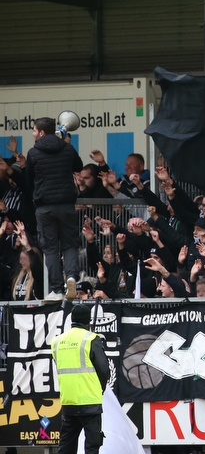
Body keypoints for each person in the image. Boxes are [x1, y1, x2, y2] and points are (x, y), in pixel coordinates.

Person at [25, 117, 83, 300]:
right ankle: (72, 277)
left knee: (50, 249)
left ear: (41, 133)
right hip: (66, 205)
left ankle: (57, 290)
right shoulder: (67, 148)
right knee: (70, 245)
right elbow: (79, 166)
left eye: (34, 131)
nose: (33, 134)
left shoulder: (33, 153)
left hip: (44, 208)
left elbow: (29, 180)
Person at [52, 304, 110, 454]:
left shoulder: (57, 341)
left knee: (66, 446)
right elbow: (104, 370)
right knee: (92, 446)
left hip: (68, 402)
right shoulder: (91, 339)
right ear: (88, 321)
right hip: (90, 401)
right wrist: (100, 389)